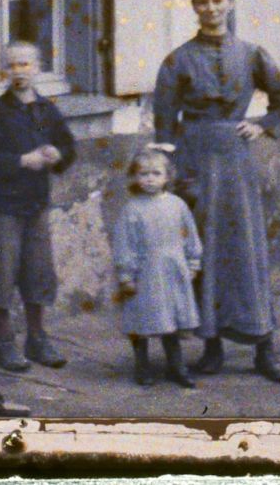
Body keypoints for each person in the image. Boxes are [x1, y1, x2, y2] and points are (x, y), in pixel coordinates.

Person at [151, 0, 280, 383]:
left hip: (235, 160)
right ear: (193, 6)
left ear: (229, 2)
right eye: (202, 2)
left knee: (248, 250)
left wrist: (263, 123)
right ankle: (211, 345)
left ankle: (264, 348)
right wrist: (172, 173)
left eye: (217, 0)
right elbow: (164, 120)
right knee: (205, 251)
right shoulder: (178, 59)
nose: (211, 9)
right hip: (195, 158)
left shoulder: (252, 54)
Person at [0, 40, 76, 372]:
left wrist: (57, 155)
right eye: (12, 66)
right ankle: (4, 342)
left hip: (36, 206)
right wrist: (22, 160)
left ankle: (37, 338)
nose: (19, 72)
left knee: (38, 271)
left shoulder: (47, 110)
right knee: (3, 273)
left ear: (37, 67)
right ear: (3, 70)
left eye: (25, 65)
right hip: (5, 208)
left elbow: (67, 144)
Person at [111, 146, 203, 389]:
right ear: (135, 177)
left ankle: (176, 365)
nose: (149, 179)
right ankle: (142, 365)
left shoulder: (177, 205)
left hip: (172, 270)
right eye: (143, 174)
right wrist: (126, 275)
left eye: (156, 173)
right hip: (145, 273)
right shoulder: (132, 209)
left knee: (169, 319)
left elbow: (189, 235)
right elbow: (124, 244)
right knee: (142, 319)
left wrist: (193, 262)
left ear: (167, 177)